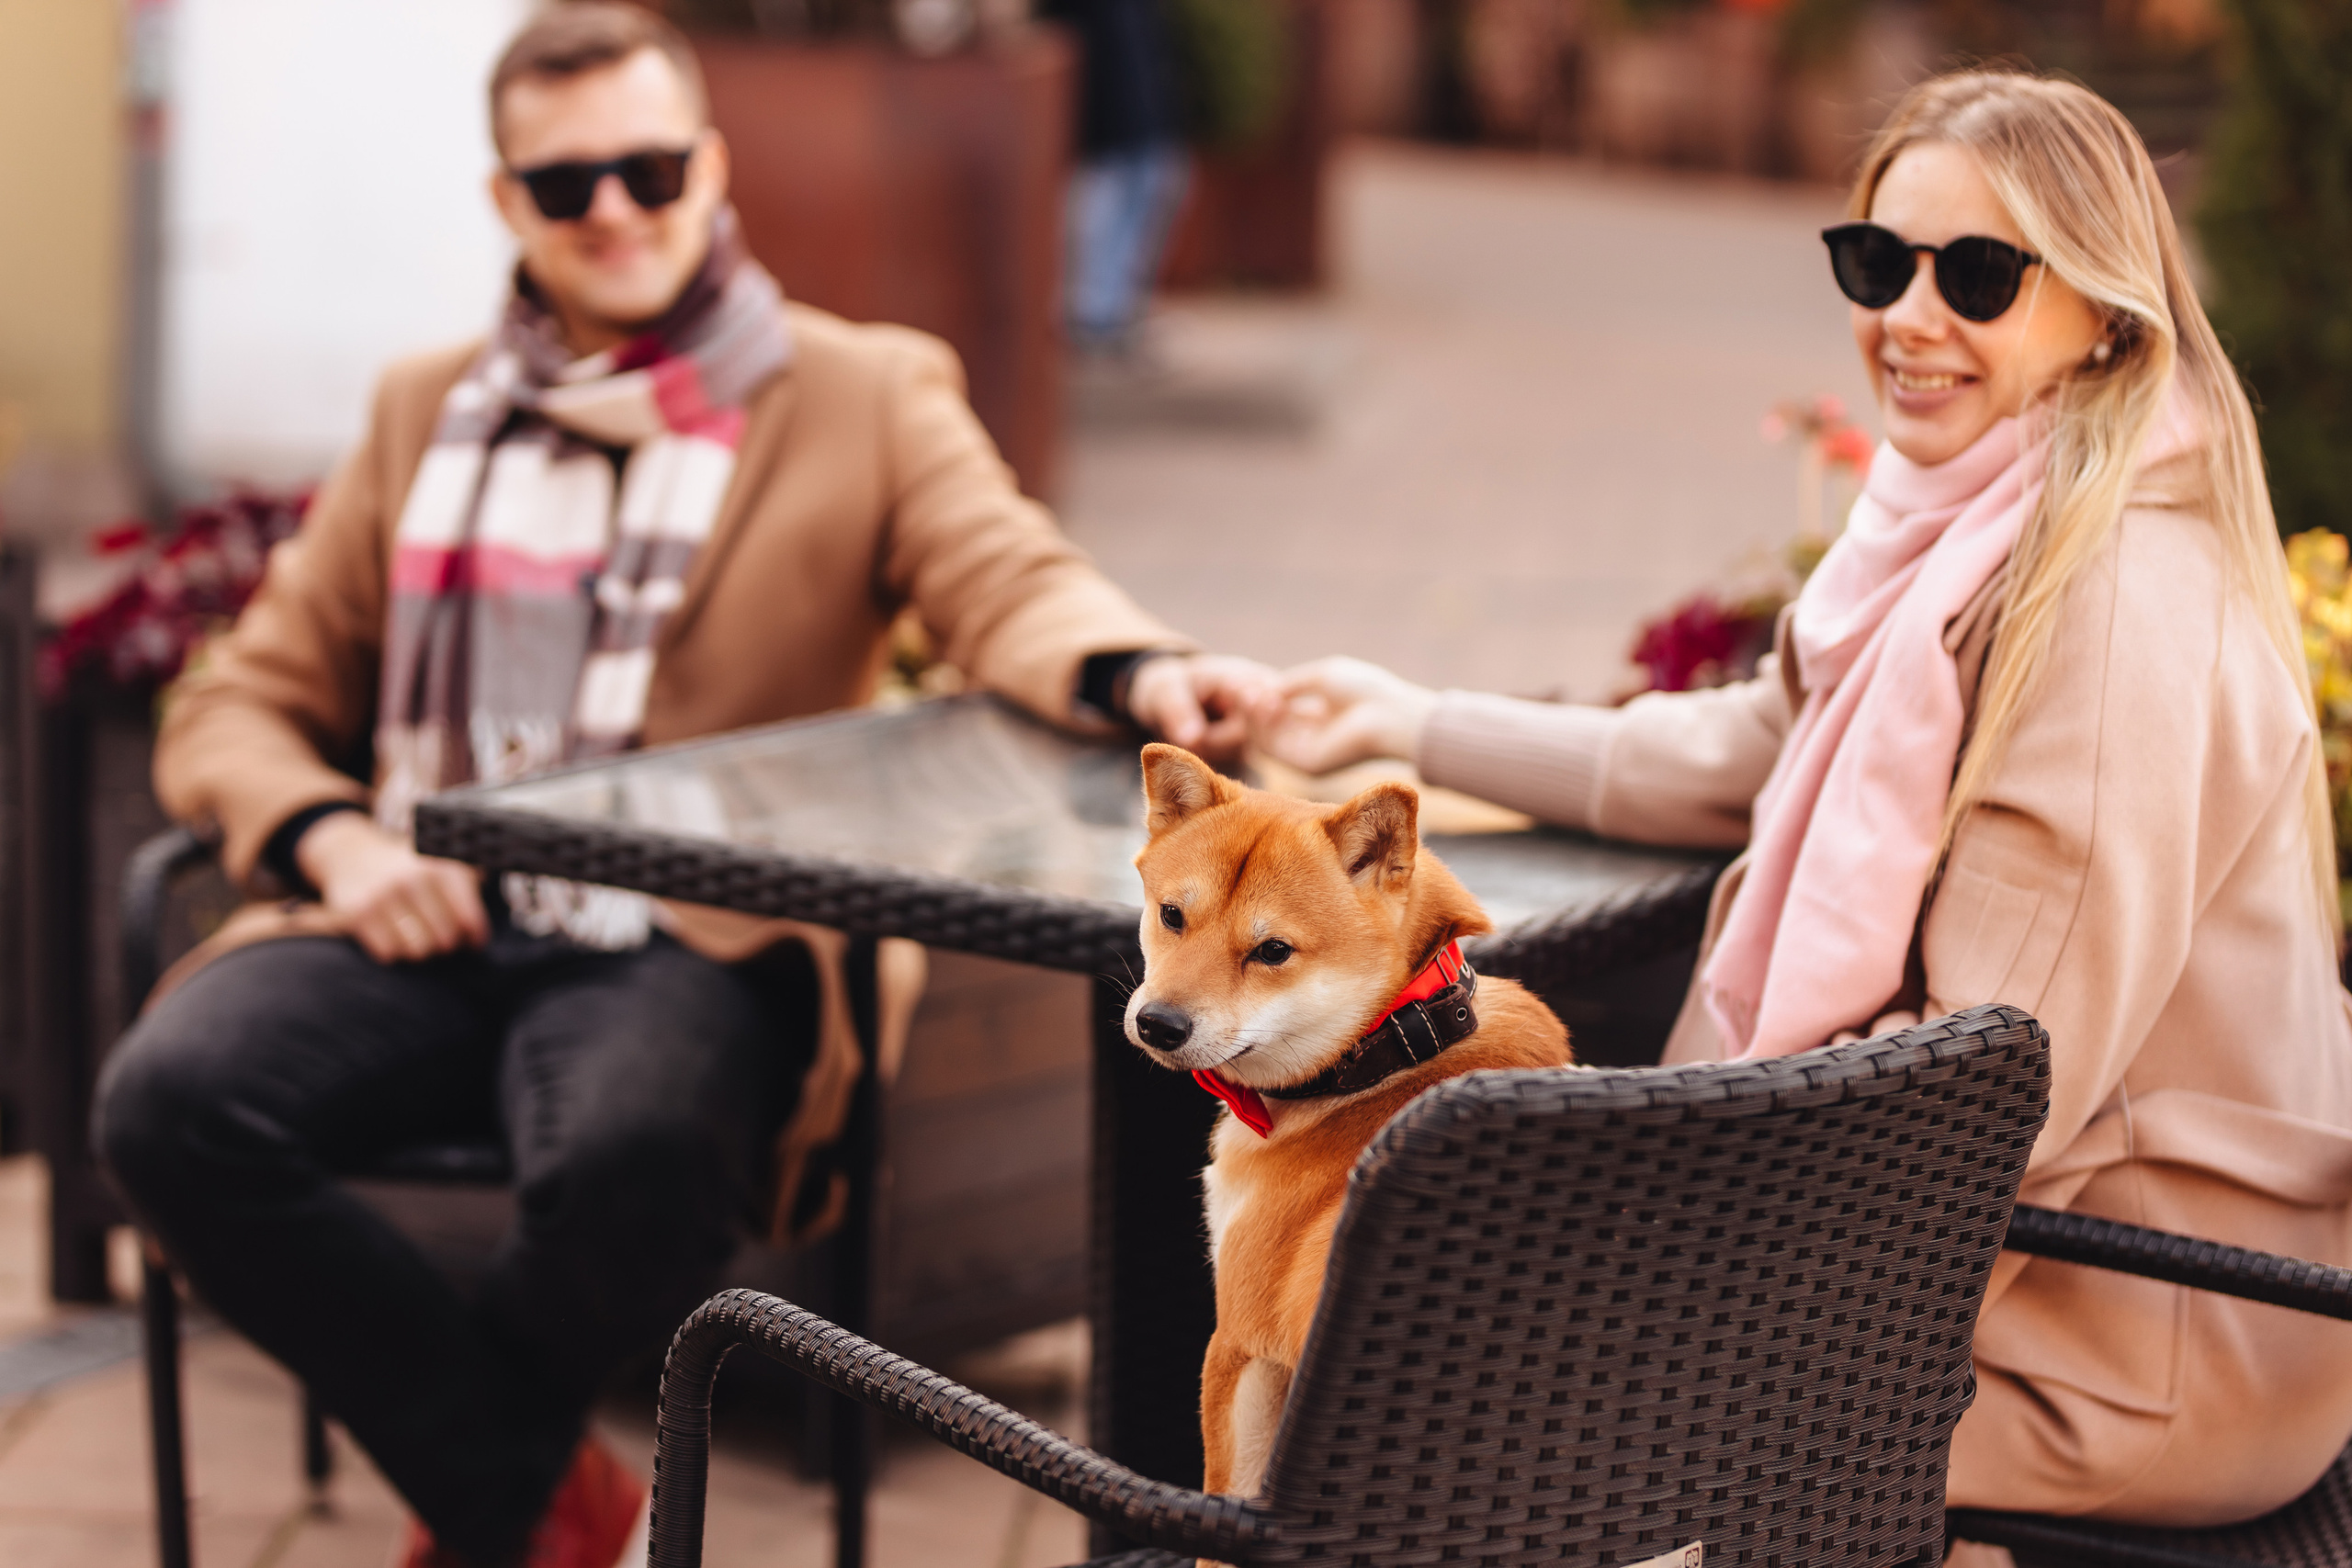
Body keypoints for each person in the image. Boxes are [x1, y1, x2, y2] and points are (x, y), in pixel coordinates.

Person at [91, 8, 1270, 1567]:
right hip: (426, 919)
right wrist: (328, 838)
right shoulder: (424, 408)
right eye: (566, 184)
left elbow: (1007, 577)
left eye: (650, 170)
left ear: (711, 168)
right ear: (508, 201)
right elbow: (241, 695)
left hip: (691, 941)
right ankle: (539, 1499)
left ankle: (487, 1497)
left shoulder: (861, 391)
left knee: (632, 1152)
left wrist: (1137, 671)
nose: (617, 213)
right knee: (166, 1105)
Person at [1253, 69, 2352, 1529]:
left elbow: (1987, 1087)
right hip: (2023, 1260)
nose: (1908, 314)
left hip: (2127, 1339)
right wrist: (1410, 722)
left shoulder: (2109, 611)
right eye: (1877, 260)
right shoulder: (1962, 528)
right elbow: (1750, 746)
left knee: (1431, 1380)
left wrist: (1617, 1194)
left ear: (2104, 315)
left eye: (1977, 274)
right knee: (1380, 1321)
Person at [1040, 0, 1191, 355]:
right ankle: (1091, 316)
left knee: (1150, 192)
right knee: (1100, 210)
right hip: (1105, 112)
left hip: (1147, 106)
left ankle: (1116, 310)